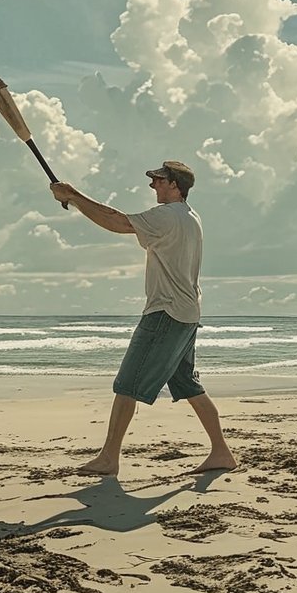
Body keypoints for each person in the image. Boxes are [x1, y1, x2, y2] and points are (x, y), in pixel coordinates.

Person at [50, 160, 237, 476]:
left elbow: (116, 221)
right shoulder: (191, 217)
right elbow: (118, 221)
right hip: (187, 313)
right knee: (187, 384)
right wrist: (73, 197)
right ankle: (221, 452)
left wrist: (74, 195)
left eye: (159, 180)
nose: (153, 186)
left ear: (175, 185)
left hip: (165, 311)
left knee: (127, 384)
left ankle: (109, 458)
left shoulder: (168, 216)